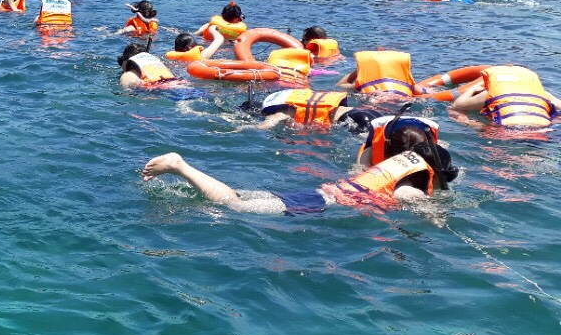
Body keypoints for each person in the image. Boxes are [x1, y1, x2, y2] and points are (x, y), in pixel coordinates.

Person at [142, 114, 457, 215]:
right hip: (317, 202)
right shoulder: (410, 185)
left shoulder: (390, 169)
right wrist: (436, 216)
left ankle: (184, 174)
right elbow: (407, 199)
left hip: (319, 193)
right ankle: (180, 166)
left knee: (237, 196)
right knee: (232, 205)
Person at [450, 66, 561, 128]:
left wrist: (473, 89)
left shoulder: (492, 92)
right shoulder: (542, 94)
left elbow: (457, 105)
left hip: (506, 131)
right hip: (544, 129)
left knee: (455, 112)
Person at [255, 89, 381, 130]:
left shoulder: (282, 110)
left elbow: (266, 125)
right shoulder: (298, 98)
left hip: (354, 120)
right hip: (364, 113)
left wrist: (244, 128)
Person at [337, 50, 420, 98]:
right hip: (402, 102)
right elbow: (424, 92)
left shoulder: (365, 84)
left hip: (375, 102)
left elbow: (340, 85)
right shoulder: (407, 85)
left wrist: (359, 70)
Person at [118, 43, 184, 90]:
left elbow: (127, 93)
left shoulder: (129, 74)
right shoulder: (156, 64)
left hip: (160, 90)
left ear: (126, 60)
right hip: (180, 85)